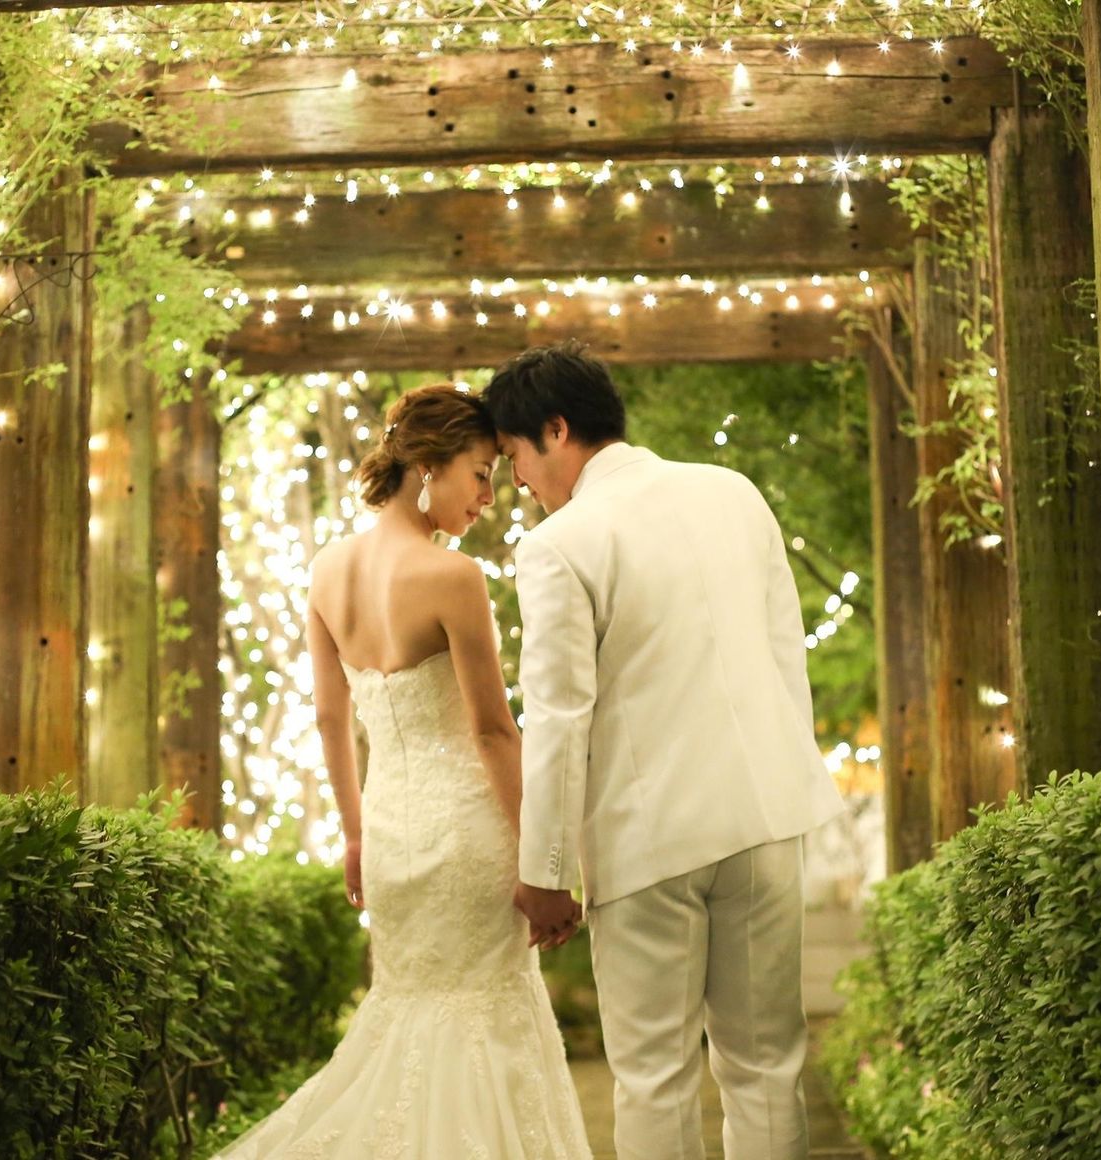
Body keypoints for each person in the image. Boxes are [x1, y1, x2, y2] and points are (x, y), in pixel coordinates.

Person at [483, 343, 846, 1160]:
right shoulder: (733, 493)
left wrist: (545, 871)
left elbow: (560, 715)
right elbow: (784, 656)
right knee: (768, 1067)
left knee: (655, 1078)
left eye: (513, 457)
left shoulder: (559, 544)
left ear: (555, 429)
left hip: (647, 843)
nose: (518, 483)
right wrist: (788, 785)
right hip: (764, 819)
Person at [214, 383, 591, 1159]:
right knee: (484, 1020)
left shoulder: (327, 570)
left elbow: (332, 720)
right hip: (471, 839)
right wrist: (543, 862)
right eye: (479, 473)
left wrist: (355, 837)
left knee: (411, 1014)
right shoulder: (453, 577)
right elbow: (492, 731)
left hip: (388, 837)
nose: (489, 496)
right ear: (428, 464)